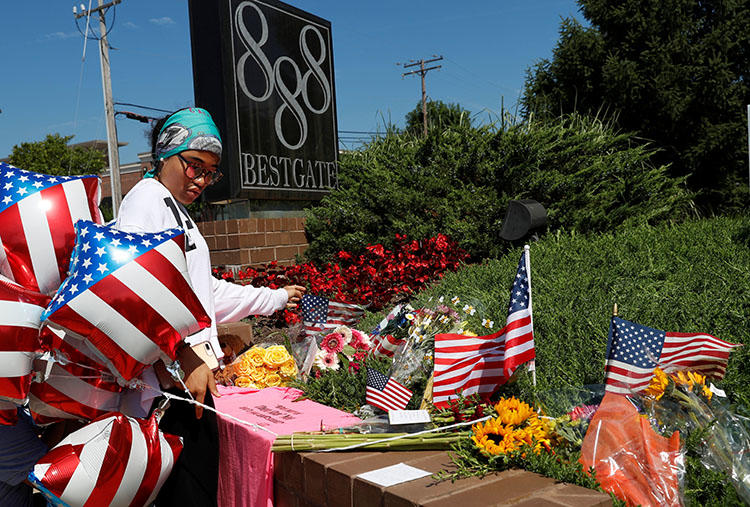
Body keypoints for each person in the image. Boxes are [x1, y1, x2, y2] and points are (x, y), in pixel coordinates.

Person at [115, 107, 305, 506]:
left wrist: (273, 298)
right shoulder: (147, 203)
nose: (201, 179)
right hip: (170, 393)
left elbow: (204, 293)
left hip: (188, 385)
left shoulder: (173, 208)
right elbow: (131, 293)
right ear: (166, 155)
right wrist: (183, 355)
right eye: (193, 166)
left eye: (210, 171)